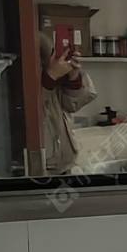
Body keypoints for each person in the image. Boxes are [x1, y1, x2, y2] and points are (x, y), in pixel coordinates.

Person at [37, 29, 96, 173]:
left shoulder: (53, 80)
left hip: (64, 164)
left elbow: (73, 105)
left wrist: (73, 78)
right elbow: (34, 112)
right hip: (41, 167)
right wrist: (50, 77)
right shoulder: (27, 83)